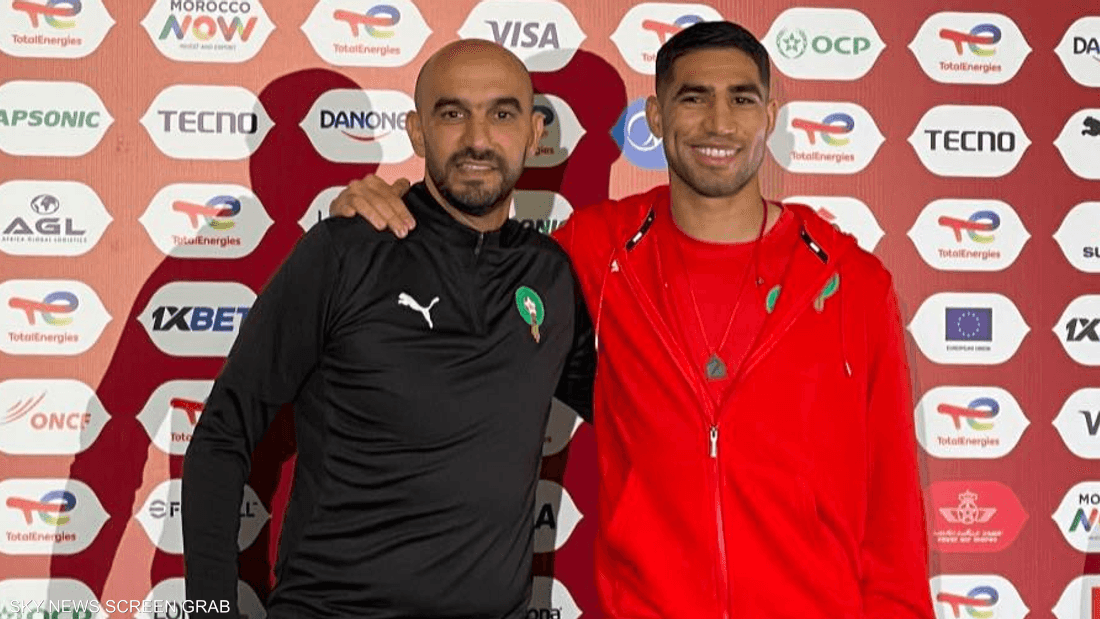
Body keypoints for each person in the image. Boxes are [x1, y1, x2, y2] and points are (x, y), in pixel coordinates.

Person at [330, 21, 933, 619]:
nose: (719, 124)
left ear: (770, 117)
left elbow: (893, 509)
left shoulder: (852, 282)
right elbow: (466, 279)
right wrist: (376, 217)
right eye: (693, 98)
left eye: (742, 100)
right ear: (656, 116)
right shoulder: (593, 251)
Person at [181, 40, 596, 619]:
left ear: (533, 134)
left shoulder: (550, 276)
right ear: (418, 133)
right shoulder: (346, 250)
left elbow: (636, 415)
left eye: (502, 114)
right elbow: (224, 433)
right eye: (453, 113)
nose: (478, 139)